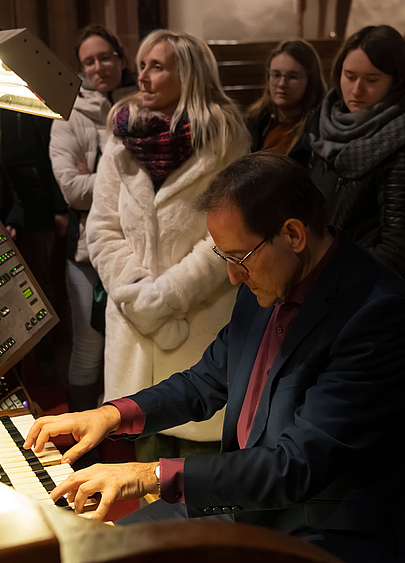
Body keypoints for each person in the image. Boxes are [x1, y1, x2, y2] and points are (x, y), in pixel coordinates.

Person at [26, 152, 405, 563]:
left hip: (325, 537)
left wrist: (146, 475)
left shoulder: (378, 316)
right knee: (89, 551)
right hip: (251, 510)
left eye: (239, 258)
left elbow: (295, 465)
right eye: (226, 258)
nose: (232, 277)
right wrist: (111, 415)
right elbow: (206, 380)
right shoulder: (268, 278)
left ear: (293, 234)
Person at [85, 29, 249, 461]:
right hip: (135, 326)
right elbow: (102, 228)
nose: (143, 77)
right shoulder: (119, 137)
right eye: (141, 65)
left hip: (199, 324)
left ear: (189, 74)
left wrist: (169, 296)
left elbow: (227, 239)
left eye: (156, 66)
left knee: (200, 481)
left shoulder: (227, 138)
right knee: (144, 466)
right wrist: (141, 297)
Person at [302, 25, 405, 276]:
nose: (356, 90)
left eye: (372, 80)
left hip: (352, 289)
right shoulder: (322, 121)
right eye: (350, 76)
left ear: (396, 81)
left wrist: (328, 277)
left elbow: (398, 251)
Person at [48, 25, 137, 413]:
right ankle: (82, 433)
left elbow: (156, 180)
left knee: (130, 342)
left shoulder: (146, 103)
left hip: (137, 245)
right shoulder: (67, 115)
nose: (98, 66)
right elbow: (72, 190)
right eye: (89, 61)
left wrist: (97, 178)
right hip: (85, 251)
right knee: (88, 345)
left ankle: (122, 432)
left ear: (120, 58)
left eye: (105, 57)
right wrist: (121, 179)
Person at [245, 39, 324, 159]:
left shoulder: (319, 129)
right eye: (276, 75)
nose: (282, 84)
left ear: (310, 81)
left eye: (293, 77)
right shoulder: (256, 120)